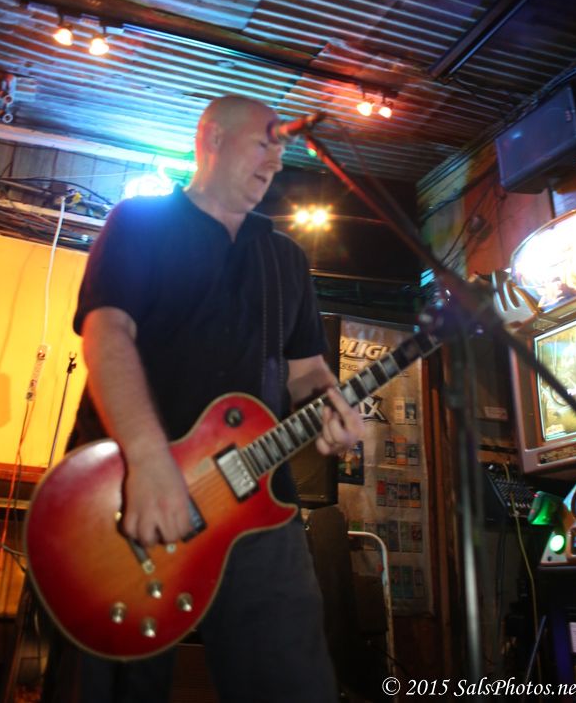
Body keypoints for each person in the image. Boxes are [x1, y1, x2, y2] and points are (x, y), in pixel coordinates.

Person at [41, 94, 363, 703]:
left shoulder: (285, 259)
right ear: (212, 138)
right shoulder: (140, 223)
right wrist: (149, 459)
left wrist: (331, 405)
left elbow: (307, 371)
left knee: (294, 683)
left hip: (259, 503)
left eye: (282, 149)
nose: (276, 160)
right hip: (130, 492)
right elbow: (107, 334)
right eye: (265, 142)